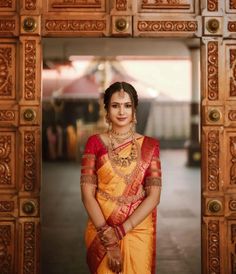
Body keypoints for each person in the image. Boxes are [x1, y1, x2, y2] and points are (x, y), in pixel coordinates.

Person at [80, 82, 162, 274]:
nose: (121, 111)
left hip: (138, 229)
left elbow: (154, 196)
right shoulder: (95, 143)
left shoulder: (149, 146)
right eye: (115, 105)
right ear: (107, 110)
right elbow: (87, 195)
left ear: (134, 110)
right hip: (102, 229)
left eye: (127, 105)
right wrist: (108, 240)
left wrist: (120, 231)